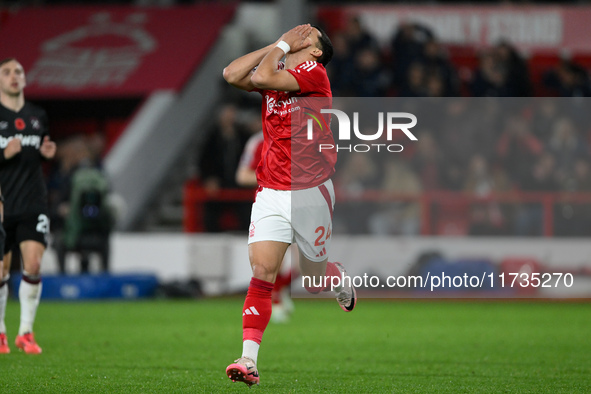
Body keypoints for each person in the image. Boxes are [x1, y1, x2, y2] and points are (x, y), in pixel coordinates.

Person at [222, 24, 356, 386]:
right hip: (270, 189)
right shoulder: (279, 66)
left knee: (312, 280)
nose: (301, 33)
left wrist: (282, 45)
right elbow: (231, 74)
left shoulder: (314, 73)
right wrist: (277, 45)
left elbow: (262, 74)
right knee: (262, 272)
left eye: (308, 36)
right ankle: (248, 360)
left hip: (310, 188)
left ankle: (333, 274)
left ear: (314, 51)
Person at [0, 58, 57, 354]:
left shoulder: (37, 115)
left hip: (33, 201)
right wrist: (2, 152)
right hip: (1, 203)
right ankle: (0, 333)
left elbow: (40, 150)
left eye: (18, 71)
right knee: (1, 270)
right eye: (7, 72)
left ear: (24, 78)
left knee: (33, 264)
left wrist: (48, 153)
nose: (14, 76)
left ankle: (26, 333)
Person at [236, 130, 296, 324]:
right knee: (273, 262)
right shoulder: (257, 142)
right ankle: (276, 298)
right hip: (270, 208)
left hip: (301, 204)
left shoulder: (303, 137)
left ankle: (282, 290)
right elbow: (242, 176)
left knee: (304, 263)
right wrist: (271, 174)